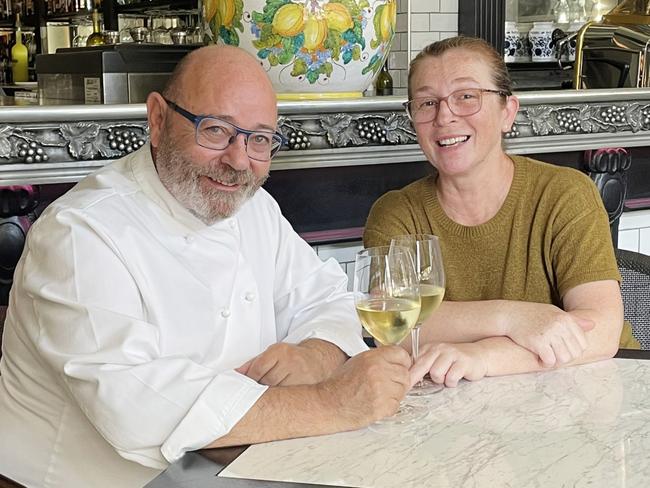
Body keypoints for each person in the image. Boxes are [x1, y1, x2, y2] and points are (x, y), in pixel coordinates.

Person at [0, 45, 414, 488]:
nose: (238, 161)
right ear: (157, 120)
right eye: (215, 130)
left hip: (230, 466)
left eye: (259, 139)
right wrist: (332, 403)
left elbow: (328, 297)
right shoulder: (80, 233)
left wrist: (317, 355)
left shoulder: (254, 209)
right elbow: (135, 407)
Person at [364, 36, 639, 389]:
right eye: (427, 102)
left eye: (467, 97)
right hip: (466, 407)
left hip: (591, 396)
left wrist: (484, 356)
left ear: (507, 112)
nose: (444, 116)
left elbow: (599, 331)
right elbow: (395, 329)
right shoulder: (396, 212)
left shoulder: (565, 193)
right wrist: (512, 318)